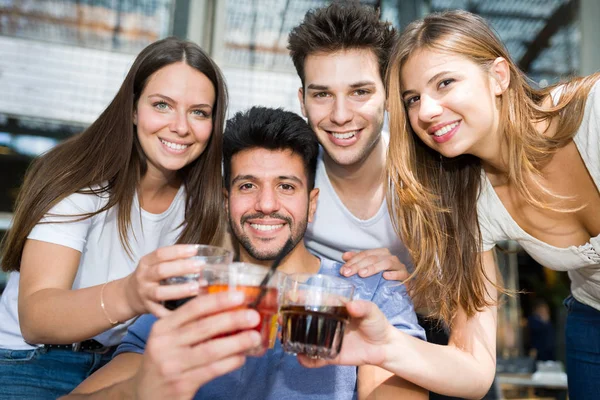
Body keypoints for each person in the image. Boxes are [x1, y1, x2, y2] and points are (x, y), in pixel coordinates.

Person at [303, 8, 600, 400]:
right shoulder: (466, 197)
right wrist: (386, 346)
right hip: (591, 322)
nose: (425, 111)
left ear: (498, 76)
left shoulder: (592, 114)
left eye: (445, 83)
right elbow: (475, 368)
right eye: (413, 99)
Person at [63, 106, 427, 400]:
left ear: (312, 204)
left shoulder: (372, 290)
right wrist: (141, 390)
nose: (266, 205)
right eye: (248, 185)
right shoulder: (186, 292)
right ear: (226, 201)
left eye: (286, 186)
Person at [0, 37, 228, 399]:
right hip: (28, 361)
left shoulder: (205, 203)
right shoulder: (80, 180)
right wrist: (131, 293)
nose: (181, 126)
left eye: (199, 112)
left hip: (119, 366)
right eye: (162, 105)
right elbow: (35, 319)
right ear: (134, 108)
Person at [287, 1, 411, 281]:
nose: (340, 116)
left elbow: (464, 300)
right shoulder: (286, 177)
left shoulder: (428, 177)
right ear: (302, 102)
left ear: (389, 95)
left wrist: (410, 289)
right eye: (322, 95)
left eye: (360, 92)